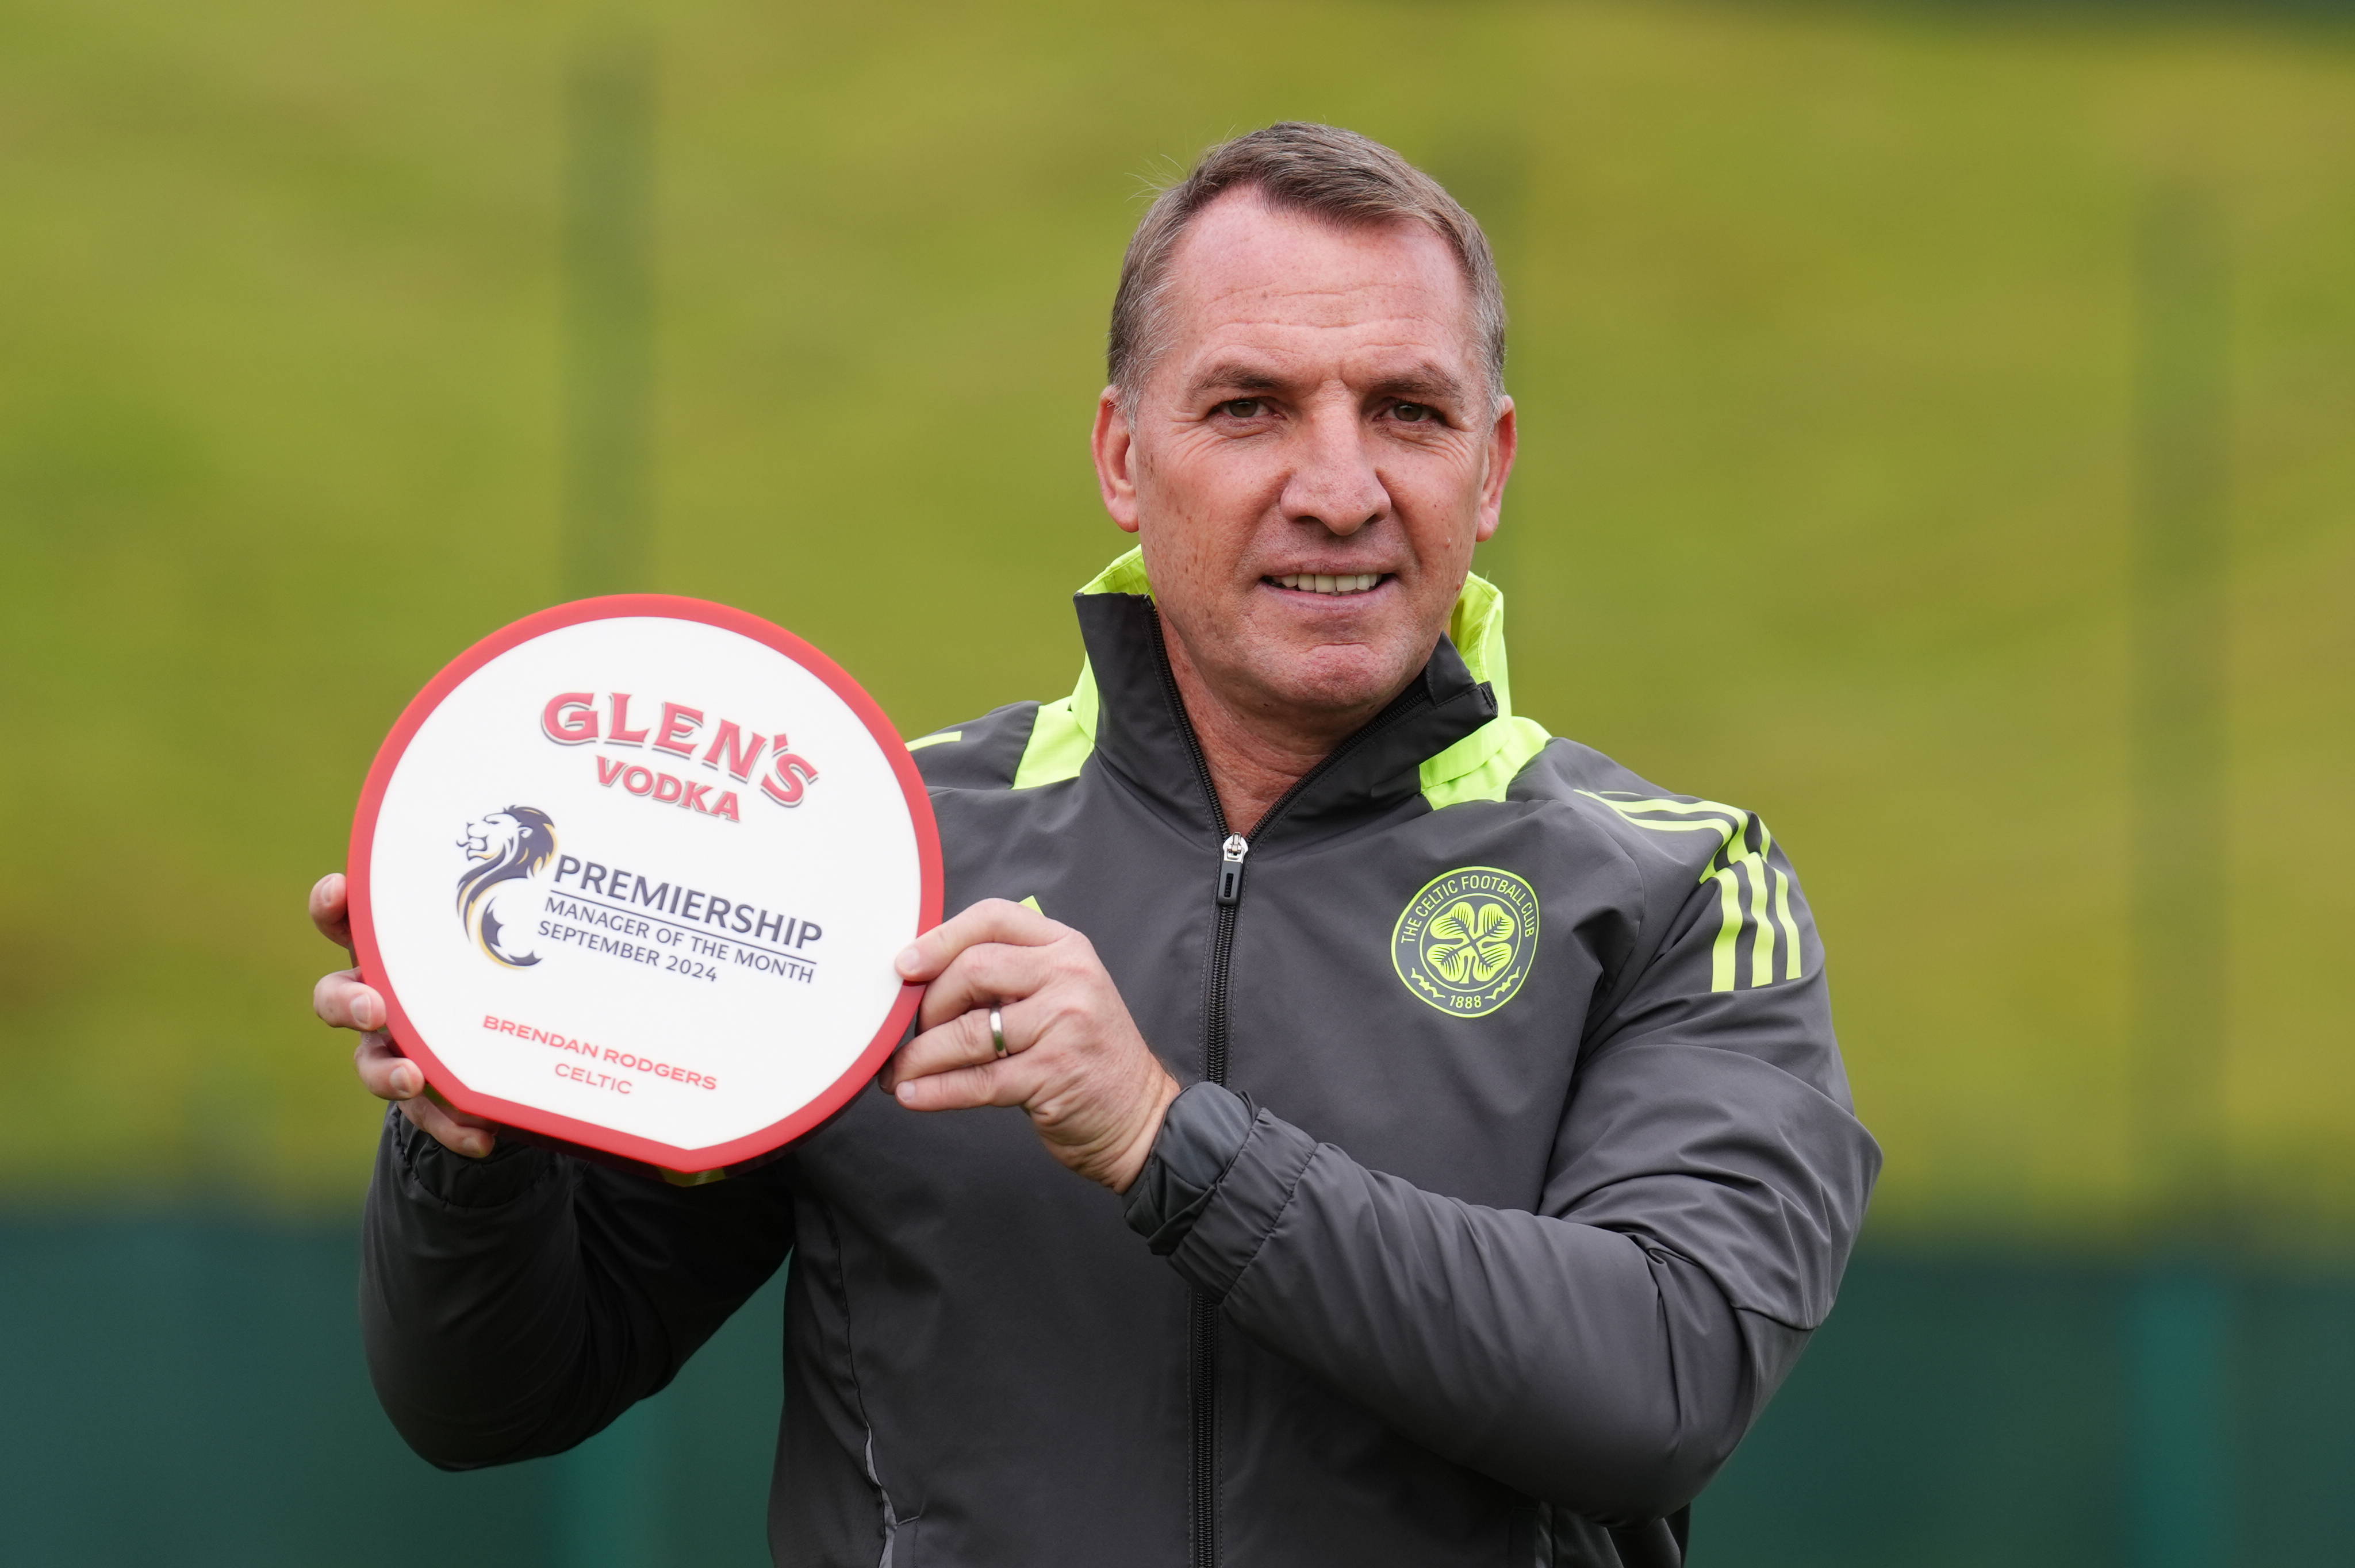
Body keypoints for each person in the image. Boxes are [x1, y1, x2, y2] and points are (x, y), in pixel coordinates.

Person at [310, 122, 1878, 1568]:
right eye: (1250, 408)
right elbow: (495, 1400)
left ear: (1493, 467)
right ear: (1126, 459)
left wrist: (1160, 1135)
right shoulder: (878, 854)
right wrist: (478, 1135)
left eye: (1408, 412)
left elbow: (1658, 1381)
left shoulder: (1678, 886)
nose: (1339, 489)